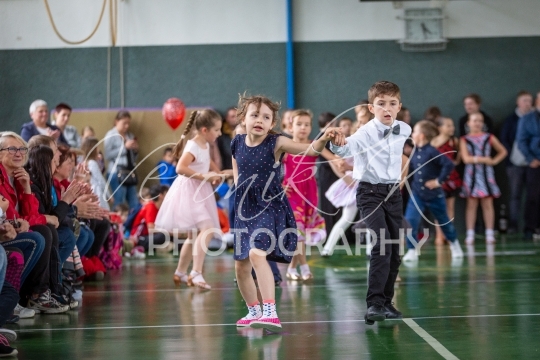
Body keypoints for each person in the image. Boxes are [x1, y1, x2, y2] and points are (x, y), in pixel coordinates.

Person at [232, 94, 342, 331]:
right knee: (240, 265)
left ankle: (270, 311)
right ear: (244, 118)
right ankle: (254, 311)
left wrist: (323, 138)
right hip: (244, 207)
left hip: (268, 206)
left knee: (256, 254)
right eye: (254, 115)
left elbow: (311, 151)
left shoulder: (277, 143)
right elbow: (237, 172)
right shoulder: (237, 142)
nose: (259, 120)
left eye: (266, 117)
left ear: (272, 124)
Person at [330, 81, 411, 325]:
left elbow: (401, 158)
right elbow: (347, 149)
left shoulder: (404, 129)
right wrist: (338, 143)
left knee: (396, 250)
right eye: (381, 104)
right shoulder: (364, 132)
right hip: (369, 193)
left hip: (393, 194)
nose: (387, 108)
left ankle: (386, 302)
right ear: (371, 107)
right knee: (382, 245)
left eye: (392, 104)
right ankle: (374, 303)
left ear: (399, 106)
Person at [155, 109, 225, 290]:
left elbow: (207, 161)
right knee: (208, 230)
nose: (219, 133)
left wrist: (217, 173)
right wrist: (204, 176)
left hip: (200, 191)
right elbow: (180, 167)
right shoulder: (193, 145)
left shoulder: (205, 144)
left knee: (194, 235)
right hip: (190, 192)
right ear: (204, 130)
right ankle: (196, 272)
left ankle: (180, 272)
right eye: (216, 130)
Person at [402, 121, 464, 262]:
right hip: (417, 194)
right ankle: (412, 250)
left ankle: (454, 244)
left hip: (434, 195)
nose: (412, 134)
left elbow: (448, 165)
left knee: (444, 222)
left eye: (415, 132)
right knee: (410, 221)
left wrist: (438, 181)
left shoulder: (432, 151)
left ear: (422, 136)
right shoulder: (415, 151)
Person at [282, 109, 327, 281]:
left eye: (307, 125)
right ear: (290, 127)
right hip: (291, 194)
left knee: (299, 234)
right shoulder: (285, 147)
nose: (303, 128)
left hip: (309, 194)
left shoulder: (314, 145)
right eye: (299, 124)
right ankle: (305, 268)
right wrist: (279, 186)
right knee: (297, 231)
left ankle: (291, 268)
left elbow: (334, 159)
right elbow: (272, 170)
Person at [460, 112, 507, 244]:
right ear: (468, 123)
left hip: (486, 174)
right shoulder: (464, 139)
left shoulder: (489, 137)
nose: (477, 123)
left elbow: (503, 151)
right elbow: (465, 158)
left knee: (487, 203)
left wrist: (494, 161)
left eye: (480, 121)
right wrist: (483, 159)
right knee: (471, 204)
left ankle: (489, 233)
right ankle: (470, 234)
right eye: (474, 121)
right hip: (471, 175)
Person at [500, 91, 533, 233]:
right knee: (515, 195)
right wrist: (512, 158)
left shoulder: (535, 119)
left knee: (533, 196)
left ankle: (531, 226)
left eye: (530, 100)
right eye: (524, 100)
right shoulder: (510, 121)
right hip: (514, 165)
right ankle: (513, 225)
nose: (528, 103)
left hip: (534, 164)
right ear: (518, 102)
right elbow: (504, 140)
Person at [431, 117, 462, 245]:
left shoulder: (454, 141)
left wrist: (452, 164)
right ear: (440, 128)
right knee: (439, 207)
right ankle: (439, 235)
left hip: (452, 178)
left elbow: (457, 159)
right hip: (438, 179)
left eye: (452, 125)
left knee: (450, 207)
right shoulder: (433, 142)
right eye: (448, 126)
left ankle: (449, 235)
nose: (452, 128)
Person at [104, 110, 139, 209]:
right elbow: (107, 155)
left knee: (134, 202)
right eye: (124, 123)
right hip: (116, 172)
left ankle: (133, 223)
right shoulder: (111, 135)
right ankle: (118, 223)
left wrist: (135, 150)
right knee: (120, 201)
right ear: (116, 121)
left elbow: (133, 157)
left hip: (130, 171)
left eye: (128, 123)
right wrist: (124, 148)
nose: (127, 126)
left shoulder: (130, 135)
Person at [516, 92, 540, 239]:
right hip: (535, 164)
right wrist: (531, 159)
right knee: (533, 196)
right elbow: (521, 141)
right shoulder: (527, 119)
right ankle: (530, 228)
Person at [316, 112, 341, 236]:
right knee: (328, 205)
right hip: (327, 175)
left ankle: (334, 234)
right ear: (329, 124)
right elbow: (331, 159)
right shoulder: (321, 138)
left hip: (333, 174)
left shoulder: (330, 138)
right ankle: (329, 232)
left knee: (335, 205)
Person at [129, 184, 169, 252]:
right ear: (161, 196)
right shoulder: (150, 206)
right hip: (140, 239)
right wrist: (171, 232)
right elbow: (151, 230)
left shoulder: (160, 208)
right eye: (167, 194)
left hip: (149, 237)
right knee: (164, 236)